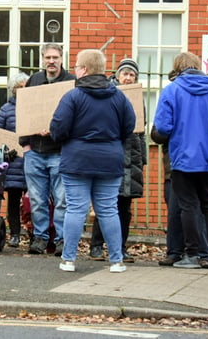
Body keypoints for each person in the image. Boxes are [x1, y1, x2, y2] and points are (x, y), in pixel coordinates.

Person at [50, 49, 135, 273]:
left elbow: (58, 128)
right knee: (108, 209)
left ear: (84, 70)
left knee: (76, 209)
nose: (75, 70)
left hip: (77, 159)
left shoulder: (73, 96)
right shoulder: (118, 96)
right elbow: (130, 126)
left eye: (77, 66)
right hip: (110, 159)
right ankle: (116, 260)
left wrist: (66, 139)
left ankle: (68, 259)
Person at [152, 52, 208, 270]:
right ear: (198, 66)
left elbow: (162, 127)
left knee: (188, 205)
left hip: (182, 159)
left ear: (177, 67)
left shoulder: (172, 90)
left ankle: (192, 254)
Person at [18, 43, 75, 255]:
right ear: (42, 59)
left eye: (55, 57)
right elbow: (24, 110)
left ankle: (61, 240)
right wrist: (25, 143)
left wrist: (57, 132)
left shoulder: (70, 82)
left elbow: (74, 116)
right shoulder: (34, 80)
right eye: (48, 57)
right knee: (37, 199)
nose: (51, 61)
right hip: (35, 149)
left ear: (62, 58)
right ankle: (40, 238)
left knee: (62, 199)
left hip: (60, 150)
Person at [89, 58, 146, 263]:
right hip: (111, 155)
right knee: (105, 203)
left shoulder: (138, 98)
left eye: (132, 75)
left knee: (125, 207)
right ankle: (96, 245)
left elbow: (141, 132)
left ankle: (120, 247)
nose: (128, 78)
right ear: (118, 75)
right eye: (125, 74)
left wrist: (143, 159)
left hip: (131, 160)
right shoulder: (108, 95)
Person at [151, 124, 208, 267]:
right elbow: (156, 135)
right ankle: (175, 252)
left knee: (197, 212)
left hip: (196, 168)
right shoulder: (169, 107)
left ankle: (202, 253)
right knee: (174, 213)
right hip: (173, 169)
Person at [0, 72, 29, 247]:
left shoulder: (33, 107)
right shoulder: (6, 110)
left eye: (25, 87)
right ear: (12, 90)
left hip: (31, 160)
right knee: (13, 201)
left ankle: (34, 234)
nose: (22, 90)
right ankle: (15, 234)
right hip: (14, 163)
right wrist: (5, 153)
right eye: (18, 88)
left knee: (34, 202)